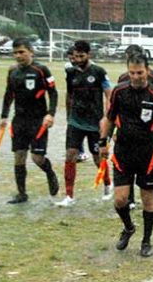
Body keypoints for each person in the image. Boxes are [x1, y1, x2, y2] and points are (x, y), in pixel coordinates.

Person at [99, 53, 153, 257]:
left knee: (148, 200)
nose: (135, 76)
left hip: (147, 155)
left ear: (147, 71)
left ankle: (146, 241)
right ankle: (129, 227)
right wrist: (103, 142)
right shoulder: (119, 91)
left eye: (139, 72)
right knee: (120, 200)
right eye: (132, 72)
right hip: (123, 153)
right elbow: (109, 118)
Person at [0, 38, 59, 204]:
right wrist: (4, 116)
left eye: (21, 52)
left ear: (31, 51)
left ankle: (50, 173)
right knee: (19, 156)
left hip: (38, 121)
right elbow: (8, 95)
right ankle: (22, 193)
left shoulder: (41, 70)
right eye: (15, 53)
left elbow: (53, 93)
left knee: (37, 158)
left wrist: (50, 114)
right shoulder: (12, 71)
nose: (18, 56)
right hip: (19, 121)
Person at [55, 40, 113, 207]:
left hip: (95, 122)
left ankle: (108, 184)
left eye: (81, 56)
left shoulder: (99, 72)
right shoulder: (71, 73)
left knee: (97, 158)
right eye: (75, 56)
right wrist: (68, 116)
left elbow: (109, 95)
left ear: (89, 55)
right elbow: (69, 95)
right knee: (70, 154)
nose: (78, 59)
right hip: (75, 122)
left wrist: (106, 117)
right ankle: (69, 196)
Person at [117, 44, 153, 209]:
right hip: (129, 129)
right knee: (128, 164)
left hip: (150, 127)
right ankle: (129, 198)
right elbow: (119, 108)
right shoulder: (123, 79)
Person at [64, 46, 89, 163]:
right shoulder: (68, 68)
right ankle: (75, 151)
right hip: (74, 103)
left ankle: (82, 152)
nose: (73, 60)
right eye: (70, 58)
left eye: (74, 58)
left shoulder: (91, 69)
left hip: (87, 106)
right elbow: (69, 90)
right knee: (73, 128)